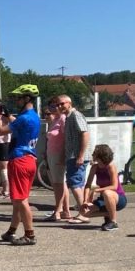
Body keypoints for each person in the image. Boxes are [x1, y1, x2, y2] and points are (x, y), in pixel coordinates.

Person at [0, 84, 42, 245]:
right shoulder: (33, 116)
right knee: (18, 199)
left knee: (21, 200)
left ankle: (30, 235)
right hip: (29, 159)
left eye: (19, 97)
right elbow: (18, 124)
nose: (16, 100)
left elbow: (0, 131)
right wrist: (7, 114)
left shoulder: (24, 118)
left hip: (19, 159)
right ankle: (11, 231)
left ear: (27, 98)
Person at [59, 94, 91, 223]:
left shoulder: (75, 115)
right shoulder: (68, 117)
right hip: (72, 155)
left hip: (77, 156)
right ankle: (84, 209)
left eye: (62, 103)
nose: (60, 106)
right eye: (58, 104)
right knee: (78, 183)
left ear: (69, 103)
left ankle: (83, 213)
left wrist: (81, 155)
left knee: (75, 182)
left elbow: (85, 134)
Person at [78, 144, 126, 231]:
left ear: (100, 156)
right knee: (83, 211)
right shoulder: (94, 167)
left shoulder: (111, 166)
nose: (92, 155)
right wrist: (85, 201)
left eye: (94, 153)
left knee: (106, 192)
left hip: (118, 198)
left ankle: (113, 222)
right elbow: (88, 185)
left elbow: (114, 186)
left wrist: (96, 190)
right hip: (104, 199)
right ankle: (108, 214)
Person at [40, 103, 72, 221]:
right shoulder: (52, 123)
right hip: (51, 154)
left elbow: (65, 138)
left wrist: (63, 156)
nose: (46, 116)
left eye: (48, 113)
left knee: (59, 183)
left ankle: (58, 211)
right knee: (59, 183)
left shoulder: (62, 120)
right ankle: (65, 210)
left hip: (58, 155)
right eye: (45, 114)